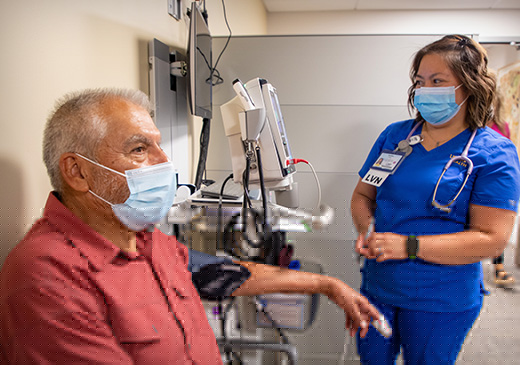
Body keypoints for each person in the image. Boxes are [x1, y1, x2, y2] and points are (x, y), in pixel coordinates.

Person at [0, 88, 381, 364]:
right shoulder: (48, 275)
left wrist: (325, 284)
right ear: (77, 172)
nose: (164, 162)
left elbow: (226, 275)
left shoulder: (149, 243)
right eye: (139, 149)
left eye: (158, 146)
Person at [351, 35, 520, 365]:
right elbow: (362, 195)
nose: (425, 89)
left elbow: (492, 239)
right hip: (378, 286)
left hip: (441, 297)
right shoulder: (395, 136)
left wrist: (409, 246)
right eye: (420, 81)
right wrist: (367, 229)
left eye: (437, 81)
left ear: (469, 86)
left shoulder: (495, 153)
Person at [488, 91, 516, 287]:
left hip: (495, 181)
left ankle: (499, 268)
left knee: (496, 225)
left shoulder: (503, 127)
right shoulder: (473, 125)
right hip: (472, 179)